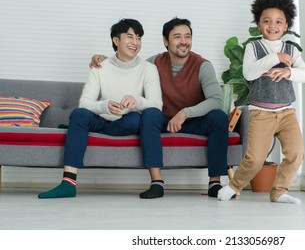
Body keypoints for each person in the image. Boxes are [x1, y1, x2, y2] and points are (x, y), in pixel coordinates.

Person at [90, 17, 229, 199]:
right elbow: (128, 67)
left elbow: (216, 100)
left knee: (219, 117)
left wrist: (185, 113)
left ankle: (215, 183)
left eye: (187, 36)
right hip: (162, 120)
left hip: (194, 120)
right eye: (177, 37)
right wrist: (104, 60)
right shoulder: (154, 62)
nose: (184, 41)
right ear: (166, 41)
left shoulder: (203, 66)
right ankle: (157, 182)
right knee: (149, 113)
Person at [38, 18, 163, 199]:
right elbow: (85, 103)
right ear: (116, 40)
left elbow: (156, 104)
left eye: (138, 38)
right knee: (78, 114)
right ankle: (68, 183)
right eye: (130, 37)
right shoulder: (100, 66)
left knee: (134, 119)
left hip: (127, 121)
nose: (135, 42)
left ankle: (77, 130)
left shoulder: (148, 69)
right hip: (103, 117)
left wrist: (137, 101)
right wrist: (104, 105)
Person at [217, 0, 305, 203]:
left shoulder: (291, 50)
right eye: (266, 21)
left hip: (286, 112)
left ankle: (279, 192)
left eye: (279, 22)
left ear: (286, 26)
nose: (272, 26)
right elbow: (249, 73)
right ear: (259, 24)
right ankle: (233, 186)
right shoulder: (253, 47)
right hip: (261, 113)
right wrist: (274, 58)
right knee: (255, 159)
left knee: (296, 153)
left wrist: (289, 72)